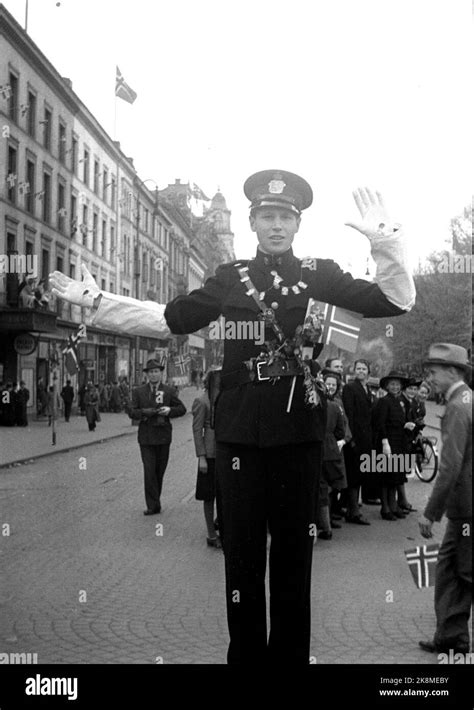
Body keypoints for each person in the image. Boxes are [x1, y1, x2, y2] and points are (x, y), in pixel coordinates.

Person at [50, 171, 416, 664]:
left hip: (298, 433)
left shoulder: (320, 272)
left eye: (285, 216)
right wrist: (99, 305)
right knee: (241, 560)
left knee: (293, 559)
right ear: (252, 223)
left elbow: (394, 301)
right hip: (241, 435)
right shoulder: (229, 277)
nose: (277, 225)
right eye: (267, 216)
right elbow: (169, 318)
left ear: (298, 223)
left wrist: (388, 246)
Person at [418, 343, 472, 655]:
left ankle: (454, 638)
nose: (430, 378)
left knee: (460, 571)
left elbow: (450, 465)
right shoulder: (467, 400)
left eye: (434, 371)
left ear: (453, 371)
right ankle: (451, 636)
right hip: (464, 509)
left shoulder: (457, 406)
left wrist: (429, 513)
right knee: (452, 570)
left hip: (466, 509)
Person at [129, 359, 186, 515]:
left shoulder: (168, 391)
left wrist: (169, 410)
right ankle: (153, 505)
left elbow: (182, 409)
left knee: (159, 471)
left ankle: (155, 500)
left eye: (156, 372)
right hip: (146, 438)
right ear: (146, 374)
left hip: (163, 437)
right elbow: (131, 411)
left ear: (161, 373)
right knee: (149, 471)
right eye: (151, 372)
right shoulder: (139, 391)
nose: (153, 375)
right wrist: (143, 413)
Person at [372, 370, 414, 520]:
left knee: (394, 477)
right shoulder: (384, 401)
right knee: (386, 477)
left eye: (397, 384)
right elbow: (380, 423)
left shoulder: (399, 402)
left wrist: (405, 425)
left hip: (398, 442)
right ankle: (385, 508)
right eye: (392, 384)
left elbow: (397, 422)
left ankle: (393, 506)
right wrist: (384, 443)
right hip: (387, 443)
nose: (395, 387)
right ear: (387, 386)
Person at [341, 359, 375, 524]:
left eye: (364, 369)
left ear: (368, 371)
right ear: (354, 370)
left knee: (360, 474)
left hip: (366, 439)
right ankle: (353, 512)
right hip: (355, 440)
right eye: (358, 368)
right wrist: (352, 439)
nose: (361, 371)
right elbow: (349, 414)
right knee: (354, 474)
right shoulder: (350, 388)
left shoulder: (367, 389)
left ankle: (351, 507)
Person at [191, 369, 222, 548]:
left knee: (223, 495)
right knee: (208, 496)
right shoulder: (202, 401)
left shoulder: (224, 399)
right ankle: (211, 534)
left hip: (223, 455)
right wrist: (201, 457)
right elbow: (197, 431)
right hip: (209, 456)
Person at [316, 371, 347, 540]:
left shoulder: (312, 407)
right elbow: (341, 432)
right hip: (332, 452)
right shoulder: (335, 407)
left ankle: (324, 527)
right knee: (327, 488)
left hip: (317, 451)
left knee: (319, 489)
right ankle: (326, 524)